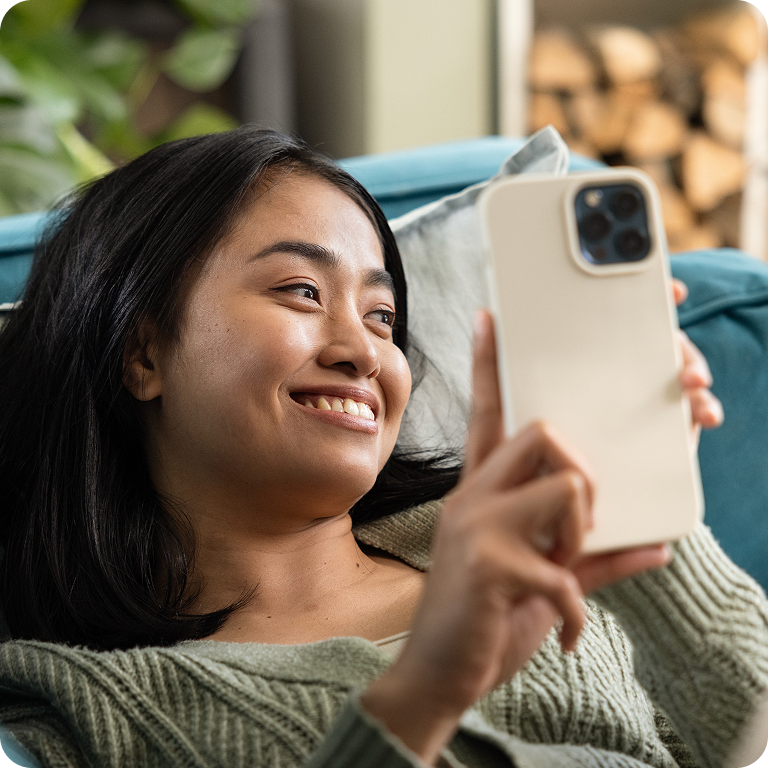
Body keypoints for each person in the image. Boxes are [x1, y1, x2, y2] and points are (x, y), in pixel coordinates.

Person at [0, 127, 764, 768]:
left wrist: (649, 534)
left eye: (382, 315)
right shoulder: (79, 708)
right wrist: (426, 688)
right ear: (142, 354)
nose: (363, 353)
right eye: (302, 291)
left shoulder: (529, 546)